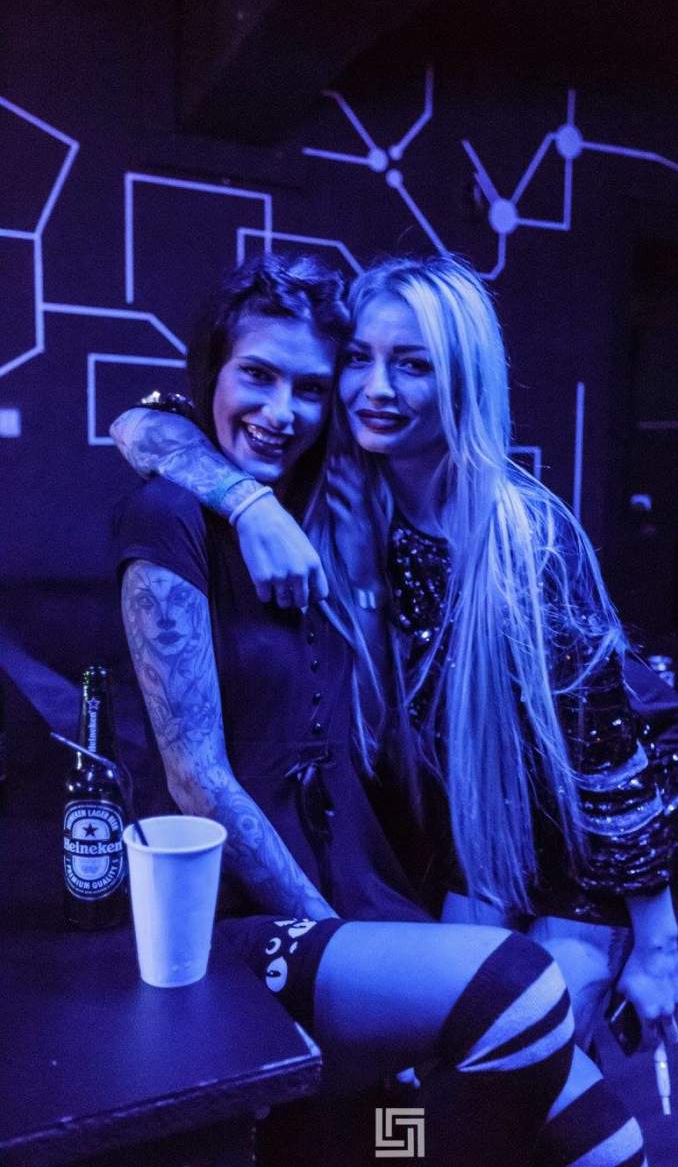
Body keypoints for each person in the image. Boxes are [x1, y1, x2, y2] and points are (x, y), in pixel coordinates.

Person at [113, 254, 646, 1167]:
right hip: (242, 914)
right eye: (257, 375)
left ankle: (394, 1150)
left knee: (610, 1149)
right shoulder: (171, 515)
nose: (281, 410)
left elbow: (596, 716)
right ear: (213, 374)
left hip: (364, 896)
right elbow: (197, 779)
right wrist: (245, 502)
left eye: (311, 388)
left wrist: (634, 922)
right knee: (517, 991)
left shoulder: (339, 505)